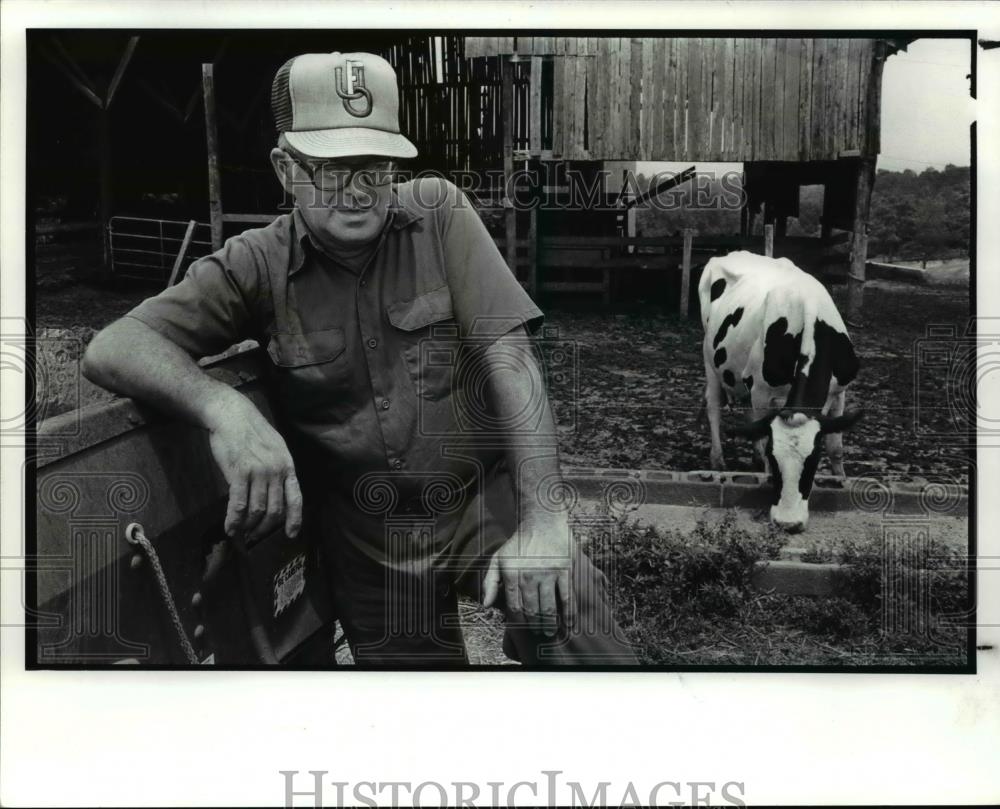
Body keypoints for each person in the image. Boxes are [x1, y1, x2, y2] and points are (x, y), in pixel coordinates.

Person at [83, 51, 635, 666]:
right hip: (372, 546)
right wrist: (224, 406)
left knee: (579, 628)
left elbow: (514, 365)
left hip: (482, 502)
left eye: (373, 165)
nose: (356, 189)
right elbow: (113, 346)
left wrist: (543, 525)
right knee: (413, 710)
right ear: (285, 169)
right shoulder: (255, 263)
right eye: (329, 168)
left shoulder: (440, 214)